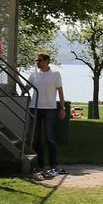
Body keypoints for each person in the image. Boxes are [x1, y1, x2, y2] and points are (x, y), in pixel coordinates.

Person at [27, 51, 67, 180]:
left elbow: (60, 91)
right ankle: (39, 165)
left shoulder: (55, 74)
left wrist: (62, 108)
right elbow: (25, 89)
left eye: (39, 60)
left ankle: (53, 164)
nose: (37, 63)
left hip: (50, 109)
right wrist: (16, 76)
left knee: (50, 137)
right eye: (36, 61)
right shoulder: (33, 74)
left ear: (46, 61)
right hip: (35, 108)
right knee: (36, 138)